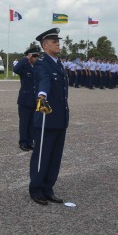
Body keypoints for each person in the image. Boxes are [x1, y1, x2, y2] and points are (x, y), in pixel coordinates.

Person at [29, 28, 69, 206]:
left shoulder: (59, 63)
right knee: (42, 155)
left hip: (60, 118)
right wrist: (42, 95)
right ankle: (36, 189)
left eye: (58, 41)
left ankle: (48, 188)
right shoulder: (41, 63)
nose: (57, 43)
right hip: (46, 116)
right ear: (45, 45)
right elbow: (43, 80)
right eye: (53, 41)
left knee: (55, 156)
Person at [13, 47, 39, 151]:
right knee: (24, 122)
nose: (36, 58)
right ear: (29, 56)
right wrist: (25, 58)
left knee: (32, 123)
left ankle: (30, 141)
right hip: (24, 99)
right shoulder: (24, 67)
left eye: (36, 56)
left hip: (34, 99)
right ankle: (23, 142)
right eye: (34, 56)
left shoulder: (37, 67)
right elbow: (15, 69)